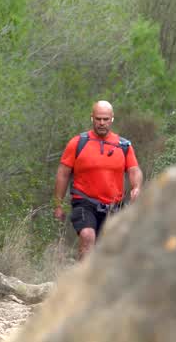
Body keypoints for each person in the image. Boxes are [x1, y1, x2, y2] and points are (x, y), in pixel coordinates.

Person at [53, 100, 142, 259]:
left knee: (111, 250)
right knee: (87, 236)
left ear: (112, 119)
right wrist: (58, 204)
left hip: (114, 206)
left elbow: (134, 170)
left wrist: (136, 187)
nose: (102, 123)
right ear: (92, 118)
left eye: (105, 119)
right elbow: (63, 174)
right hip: (84, 202)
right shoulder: (78, 143)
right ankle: (84, 281)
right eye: (98, 119)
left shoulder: (123, 145)